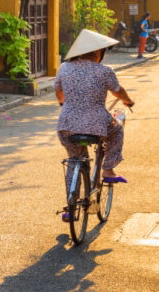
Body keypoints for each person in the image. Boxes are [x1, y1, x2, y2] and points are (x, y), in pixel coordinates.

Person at [55, 29, 135, 221]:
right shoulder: (105, 71)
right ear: (98, 53)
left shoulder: (64, 68)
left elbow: (58, 91)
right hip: (97, 124)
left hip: (66, 124)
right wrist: (128, 101)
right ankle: (108, 169)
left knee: (74, 161)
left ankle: (70, 207)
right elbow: (119, 91)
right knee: (116, 129)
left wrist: (64, 104)